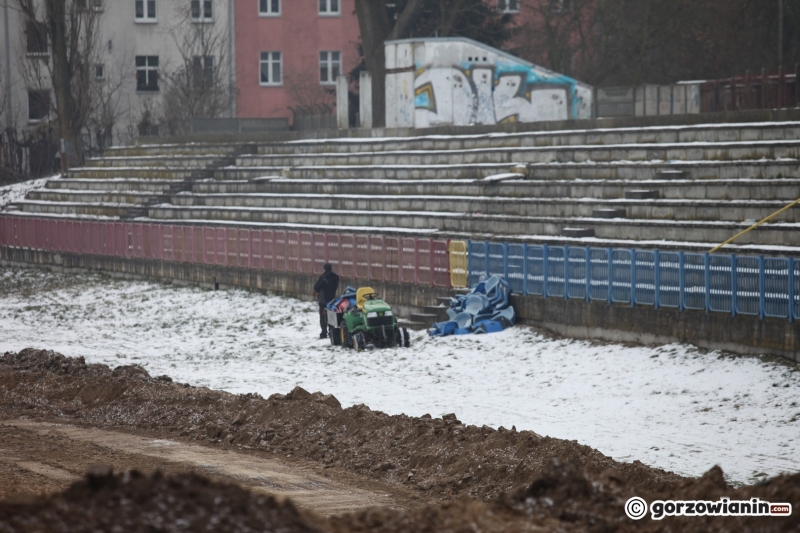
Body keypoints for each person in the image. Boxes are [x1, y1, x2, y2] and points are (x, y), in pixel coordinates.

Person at [314, 263, 339, 339]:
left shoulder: (323, 277)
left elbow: (316, 287)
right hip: (332, 300)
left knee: (323, 316)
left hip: (323, 300)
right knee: (331, 315)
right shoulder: (335, 277)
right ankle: (332, 331)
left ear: (325, 269)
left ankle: (324, 333)